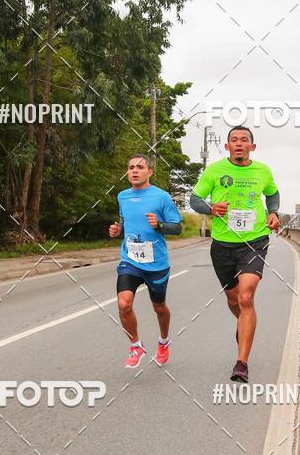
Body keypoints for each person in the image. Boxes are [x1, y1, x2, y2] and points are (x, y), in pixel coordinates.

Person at [189, 126, 280, 383]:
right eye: (233, 140)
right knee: (234, 300)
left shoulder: (263, 171)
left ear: (253, 146)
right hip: (222, 245)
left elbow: (272, 193)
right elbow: (194, 199)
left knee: (246, 295)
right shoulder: (214, 171)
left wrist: (273, 212)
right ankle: (244, 323)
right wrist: (209, 207)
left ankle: (241, 363)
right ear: (227, 146)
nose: (239, 143)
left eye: (244, 140)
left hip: (255, 241)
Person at [109, 154, 182, 369]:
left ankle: (163, 341)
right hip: (130, 260)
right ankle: (136, 345)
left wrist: (159, 225)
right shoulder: (122, 196)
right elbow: (124, 221)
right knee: (124, 304)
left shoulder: (161, 197)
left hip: (156, 264)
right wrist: (117, 230)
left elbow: (177, 227)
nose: (134, 170)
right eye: (131, 167)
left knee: (159, 307)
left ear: (149, 172)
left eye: (140, 167)